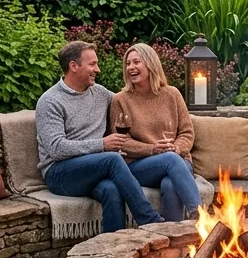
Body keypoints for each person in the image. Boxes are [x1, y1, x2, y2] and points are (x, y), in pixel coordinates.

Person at [36, 41, 164, 232]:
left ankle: (115, 248)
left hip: (92, 170)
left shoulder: (101, 94)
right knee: (112, 159)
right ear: (73, 66)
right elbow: (56, 149)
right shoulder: (50, 101)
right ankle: (149, 220)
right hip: (60, 174)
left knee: (111, 190)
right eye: (92, 64)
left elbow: (131, 103)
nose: (98, 69)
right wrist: (102, 144)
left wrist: (161, 101)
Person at [110, 43, 201, 221]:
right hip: (140, 166)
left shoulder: (172, 94)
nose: (131, 67)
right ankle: (201, 216)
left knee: (170, 184)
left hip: (178, 161)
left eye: (136, 62)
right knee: (170, 160)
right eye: (128, 64)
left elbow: (187, 133)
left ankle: (170, 240)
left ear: (150, 64)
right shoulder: (120, 100)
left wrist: (175, 148)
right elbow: (122, 142)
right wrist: (153, 149)